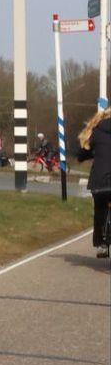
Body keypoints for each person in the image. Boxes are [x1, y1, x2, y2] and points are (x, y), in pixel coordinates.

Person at [80, 108, 111, 257]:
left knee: (99, 210)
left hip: (99, 182)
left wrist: (80, 156)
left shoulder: (96, 132)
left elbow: (83, 152)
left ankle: (101, 243)